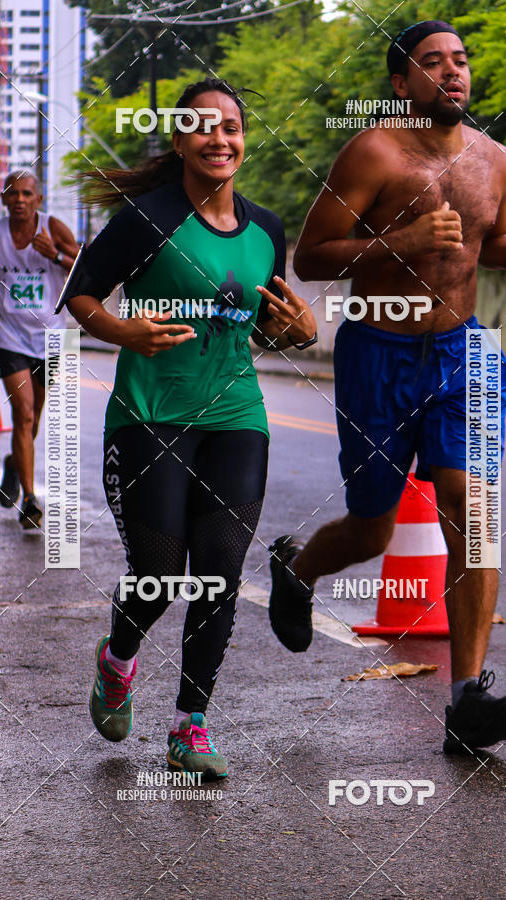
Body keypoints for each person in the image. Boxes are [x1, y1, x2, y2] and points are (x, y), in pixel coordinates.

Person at [268, 21, 506, 755]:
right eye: (432, 63)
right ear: (401, 85)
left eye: (460, 60)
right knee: (374, 528)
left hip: (461, 354)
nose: (451, 72)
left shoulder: (498, 160)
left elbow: (494, 238)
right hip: (378, 354)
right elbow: (314, 256)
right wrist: (400, 242)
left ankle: (467, 698)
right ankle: (297, 571)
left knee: (472, 510)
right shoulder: (373, 151)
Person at [58, 78, 317, 778]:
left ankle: (189, 725)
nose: (219, 139)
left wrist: (302, 330)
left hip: (236, 416)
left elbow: (270, 319)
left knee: (221, 570)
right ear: (178, 141)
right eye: (202, 127)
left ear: (243, 137)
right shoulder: (149, 219)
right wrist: (121, 331)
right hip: (150, 417)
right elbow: (79, 291)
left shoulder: (265, 229)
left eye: (230, 126)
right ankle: (117, 660)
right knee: (160, 575)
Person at [0, 170, 78, 528]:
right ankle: (31, 501)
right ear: (3, 199)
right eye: (13, 193)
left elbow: (83, 268)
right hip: (8, 335)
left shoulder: (55, 229)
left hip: (50, 335)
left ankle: (13, 464)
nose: (19, 199)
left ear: (38, 199)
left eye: (27, 194)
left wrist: (55, 255)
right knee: (25, 414)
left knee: (32, 421)